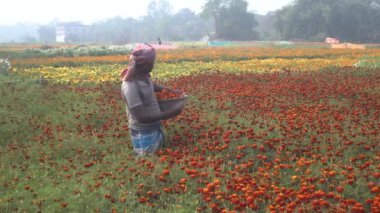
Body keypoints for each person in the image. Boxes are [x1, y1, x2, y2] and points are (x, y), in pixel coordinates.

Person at [121, 43, 184, 156]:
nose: (153, 66)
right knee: (147, 161)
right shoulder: (130, 86)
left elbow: (151, 85)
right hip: (143, 133)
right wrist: (169, 113)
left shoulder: (144, 77)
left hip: (155, 128)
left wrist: (170, 90)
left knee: (159, 157)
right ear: (144, 65)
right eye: (152, 63)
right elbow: (140, 117)